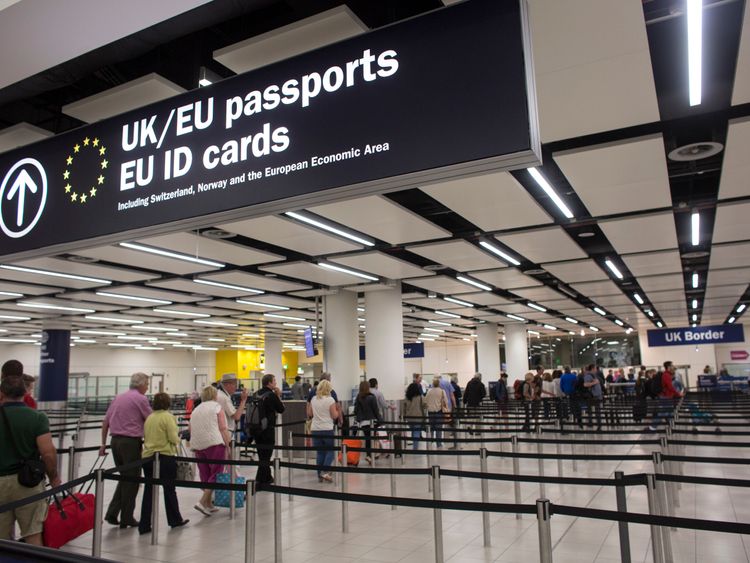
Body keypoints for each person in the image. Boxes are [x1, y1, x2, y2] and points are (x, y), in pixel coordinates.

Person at [0, 376, 60, 545]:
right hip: (27, 483)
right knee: (32, 534)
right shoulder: (37, 417)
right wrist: (54, 477)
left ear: (2, 393)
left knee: (2, 540)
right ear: (25, 393)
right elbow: (47, 453)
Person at [99, 372, 152, 528]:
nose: (148, 388)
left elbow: (105, 422)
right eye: (147, 384)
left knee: (124, 477)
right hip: (130, 443)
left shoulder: (118, 397)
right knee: (133, 479)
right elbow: (151, 419)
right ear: (141, 384)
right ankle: (127, 517)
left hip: (115, 441)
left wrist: (103, 444)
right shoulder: (141, 399)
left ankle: (112, 513)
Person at [138, 393, 188, 535]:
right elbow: (173, 438)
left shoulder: (150, 418)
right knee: (169, 489)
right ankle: (175, 519)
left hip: (148, 457)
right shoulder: (168, 417)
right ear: (168, 403)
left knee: (149, 491)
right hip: (164, 457)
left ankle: (144, 524)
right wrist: (178, 438)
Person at [189, 385, 229, 515]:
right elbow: (223, 428)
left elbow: (190, 428)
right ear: (214, 395)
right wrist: (228, 444)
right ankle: (202, 501)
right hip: (214, 443)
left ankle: (208, 503)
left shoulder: (196, 409)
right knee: (216, 473)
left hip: (198, 444)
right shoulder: (217, 407)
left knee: (205, 473)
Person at [254, 374, 285, 484]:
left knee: (262, 454)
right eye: (274, 381)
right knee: (266, 455)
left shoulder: (256, 393)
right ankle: (259, 479)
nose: (276, 383)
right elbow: (281, 409)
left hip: (256, 429)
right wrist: (278, 395)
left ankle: (267, 477)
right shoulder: (271, 395)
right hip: (267, 429)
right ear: (269, 383)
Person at [306, 380, 339, 482]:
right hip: (327, 428)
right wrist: (338, 413)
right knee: (331, 451)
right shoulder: (330, 400)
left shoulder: (313, 399)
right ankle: (325, 471)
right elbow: (334, 415)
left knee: (320, 452)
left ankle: (319, 474)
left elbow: (309, 413)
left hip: (315, 429)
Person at [647, 361, 684, 431]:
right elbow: (670, 387)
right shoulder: (666, 375)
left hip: (667, 397)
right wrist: (679, 394)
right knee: (663, 413)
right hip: (665, 397)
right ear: (669, 367)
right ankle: (652, 427)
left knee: (669, 412)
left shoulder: (667, 374)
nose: (673, 367)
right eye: (672, 366)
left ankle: (671, 426)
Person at [354, 380, 381, 464]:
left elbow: (355, 410)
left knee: (368, 439)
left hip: (363, 423)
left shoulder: (358, 397)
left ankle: (369, 455)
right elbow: (376, 410)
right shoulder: (372, 397)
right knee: (372, 439)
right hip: (372, 422)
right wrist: (380, 419)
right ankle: (370, 455)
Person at [424, 378, 447, 447]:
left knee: (431, 428)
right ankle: (438, 444)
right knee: (439, 428)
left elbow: (425, 401)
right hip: (439, 412)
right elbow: (445, 401)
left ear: (433, 384)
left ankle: (430, 442)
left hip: (430, 412)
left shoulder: (429, 391)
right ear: (439, 384)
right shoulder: (442, 391)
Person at [404, 381, 425, 449]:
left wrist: (404, 416)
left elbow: (404, 408)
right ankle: (415, 447)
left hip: (409, 418)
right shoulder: (420, 397)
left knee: (413, 431)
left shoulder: (407, 397)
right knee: (416, 431)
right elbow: (424, 406)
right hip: (418, 417)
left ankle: (414, 446)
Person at [583, 364, 602, 430]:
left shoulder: (594, 375)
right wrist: (594, 383)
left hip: (596, 395)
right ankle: (592, 423)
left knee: (596, 410)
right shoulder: (588, 376)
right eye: (595, 368)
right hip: (592, 396)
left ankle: (598, 424)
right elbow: (585, 384)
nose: (596, 370)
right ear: (593, 369)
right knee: (592, 410)